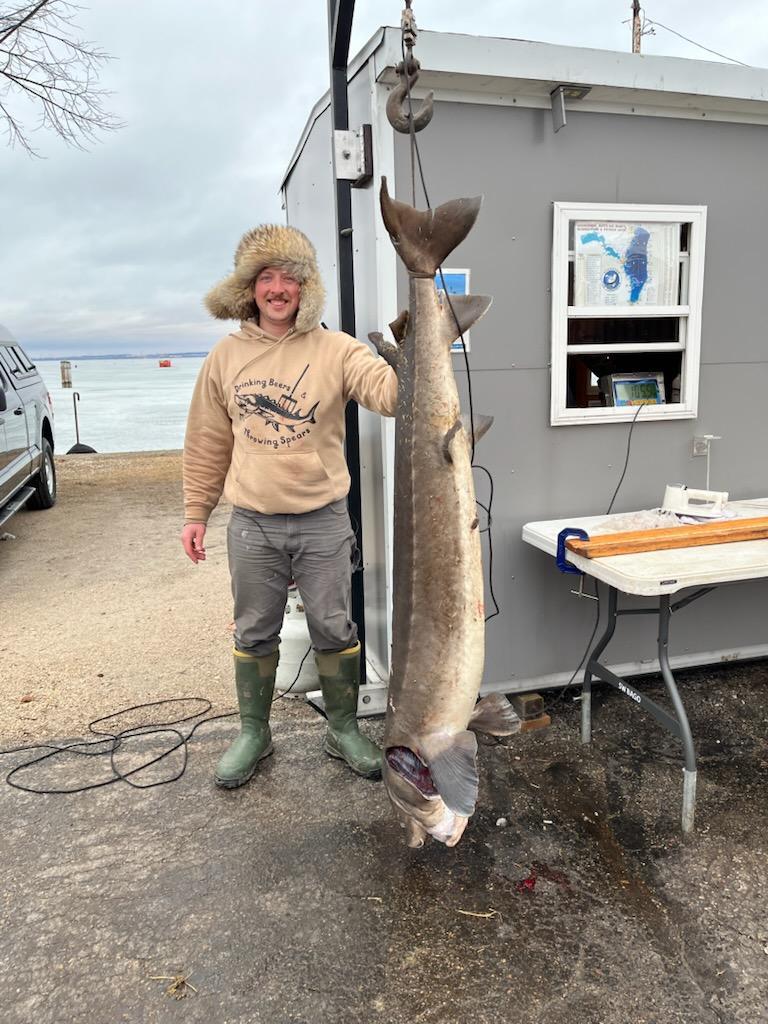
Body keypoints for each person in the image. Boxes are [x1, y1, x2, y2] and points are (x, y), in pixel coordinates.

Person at [181, 224, 397, 789]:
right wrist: (195, 513)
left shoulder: (337, 348)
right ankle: (255, 732)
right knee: (254, 631)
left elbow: (388, 393)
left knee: (333, 624)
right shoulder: (225, 358)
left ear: (307, 287)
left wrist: (411, 359)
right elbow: (207, 441)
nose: (278, 289)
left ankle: (343, 728)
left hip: (323, 519)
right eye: (266, 278)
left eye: (290, 278)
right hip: (252, 522)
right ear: (249, 288)